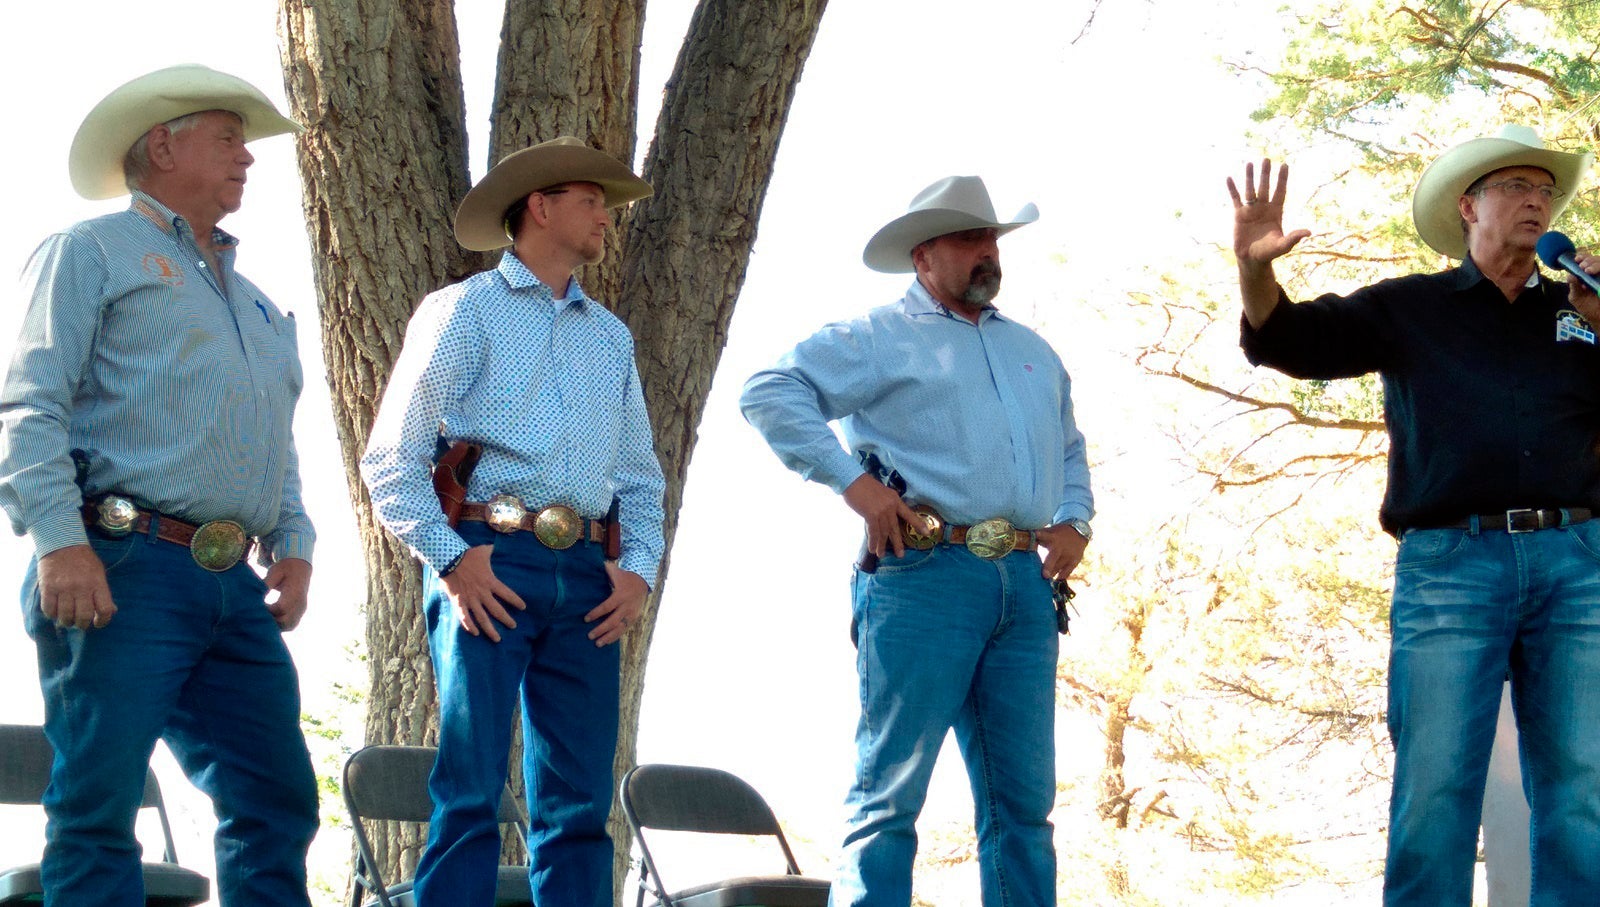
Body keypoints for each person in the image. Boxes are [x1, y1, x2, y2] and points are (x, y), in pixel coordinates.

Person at [1227, 125, 1600, 905]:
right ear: (1469, 207)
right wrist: (1253, 271)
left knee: (1585, 794)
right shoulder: (1411, 307)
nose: (1536, 200)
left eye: (1544, 190)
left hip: (1578, 563)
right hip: (1451, 567)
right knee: (1434, 790)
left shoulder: (1578, 310)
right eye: (1514, 187)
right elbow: (1290, 339)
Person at [0, 65, 319, 904]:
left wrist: (295, 539)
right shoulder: (90, 250)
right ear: (163, 144)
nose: (246, 157)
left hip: (233, 585)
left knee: (277, 799)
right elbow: (29, 404)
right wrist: (61, 542)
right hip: (120, 564)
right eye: (227, 137)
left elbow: (270, 435)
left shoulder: (256, 303)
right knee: (99, 805)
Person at [740, 175, 1093, 907]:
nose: (987, 252)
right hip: (921, 575)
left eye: (992, 238)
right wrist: (853, 483)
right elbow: (770, 389)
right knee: (890, 794)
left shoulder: (1033, 350)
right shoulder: (877, 336)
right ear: (923, 255)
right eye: (969, 239)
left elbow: (1070, 448)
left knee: (1025, 807)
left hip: (1024, 585)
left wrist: (1077, 520)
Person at [360, 135, 666, 907]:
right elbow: (391, 459)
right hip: (488, 559)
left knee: (579, 808)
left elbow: (639, 477)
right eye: (591, 199)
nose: (605, 216)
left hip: (589, 577)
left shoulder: (612, 336)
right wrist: (453, 559)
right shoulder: (463, 311)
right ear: (540, 205)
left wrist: (639, 571)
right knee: (468, 791)